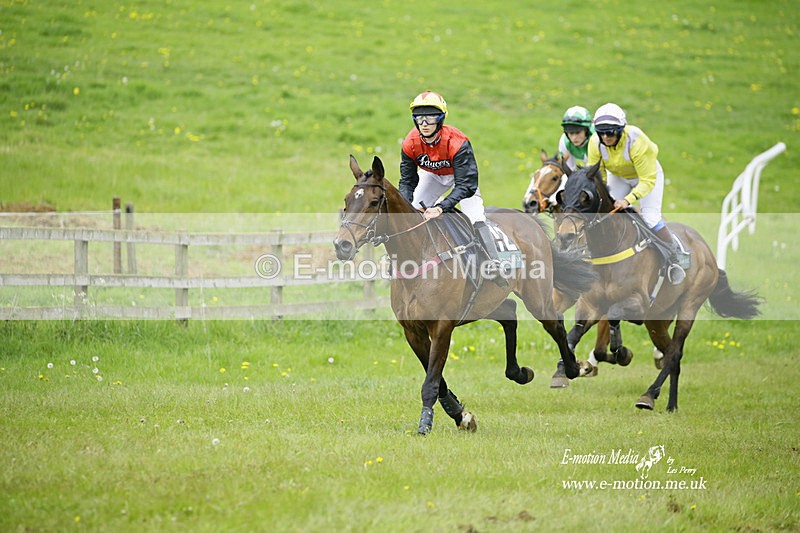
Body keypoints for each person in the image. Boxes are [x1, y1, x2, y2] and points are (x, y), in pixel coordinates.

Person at [399, 90, 504, 275]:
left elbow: (467, 186)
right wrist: (402, 206)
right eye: (419, 118)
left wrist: (441, 207)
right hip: (432, 176)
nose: (424, 124)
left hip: (461, 180)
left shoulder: (458, 142)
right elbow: (408, 182)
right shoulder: (409, 143)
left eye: (430, 118)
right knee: (412, 209)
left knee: (475, 217)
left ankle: (493, 260)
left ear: (441, 119)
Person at [588, 102, 686, 284]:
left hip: (647, 176)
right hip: (618, 176)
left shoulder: (637, 142)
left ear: (620, 129)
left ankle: (674, 258)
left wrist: (628, 200)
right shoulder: (595, 143)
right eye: (601, 132)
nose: (605, 137)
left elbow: (647, 181)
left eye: (610, 132)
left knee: (650, 217)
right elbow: (597, 175)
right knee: (607, 215)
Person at [557, 105, 594, 172]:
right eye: (571, 133)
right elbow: (569, 170)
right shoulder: (564, 141)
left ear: (587, 130)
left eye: (578, 132)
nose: (574, 138)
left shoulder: (598, 138)